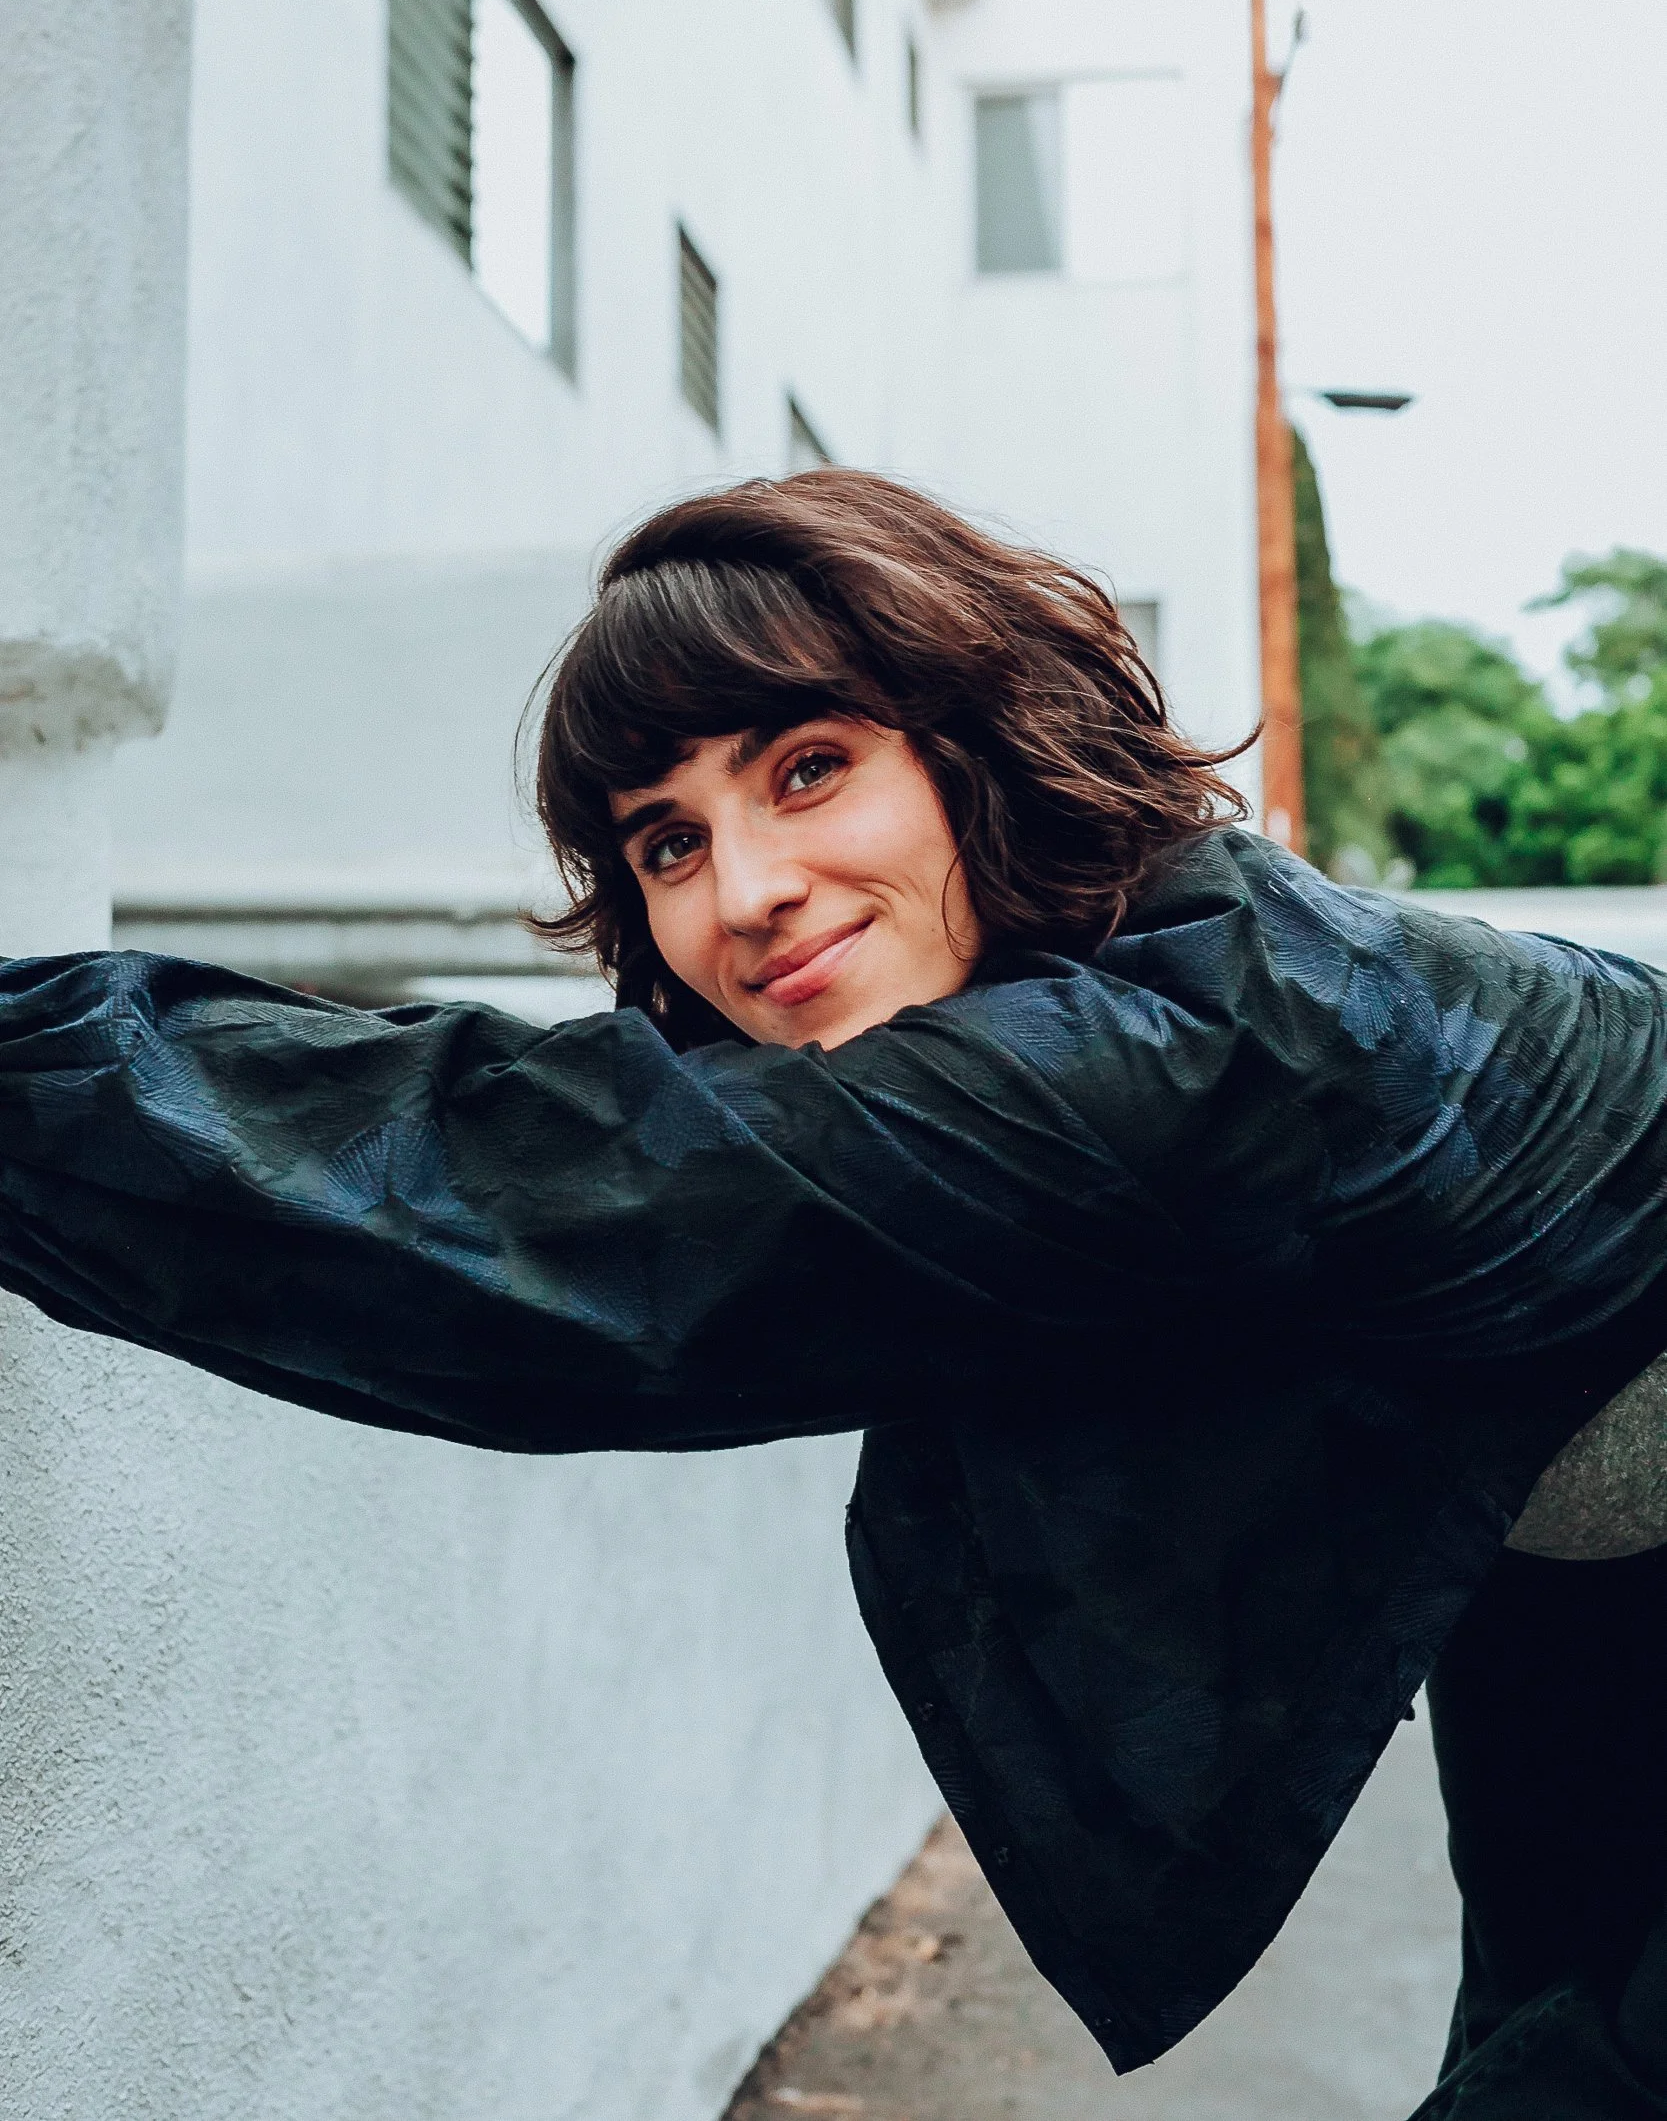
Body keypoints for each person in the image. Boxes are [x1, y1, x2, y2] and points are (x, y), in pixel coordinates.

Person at [3, 468, 1667, 2118]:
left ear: (976, 742)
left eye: (808, 768)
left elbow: (533, 1190)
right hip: (1570, 1557)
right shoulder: (1148, 969)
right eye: (669, 843)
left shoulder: (1175, 1053)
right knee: (1541, 2025)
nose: (745, 893)